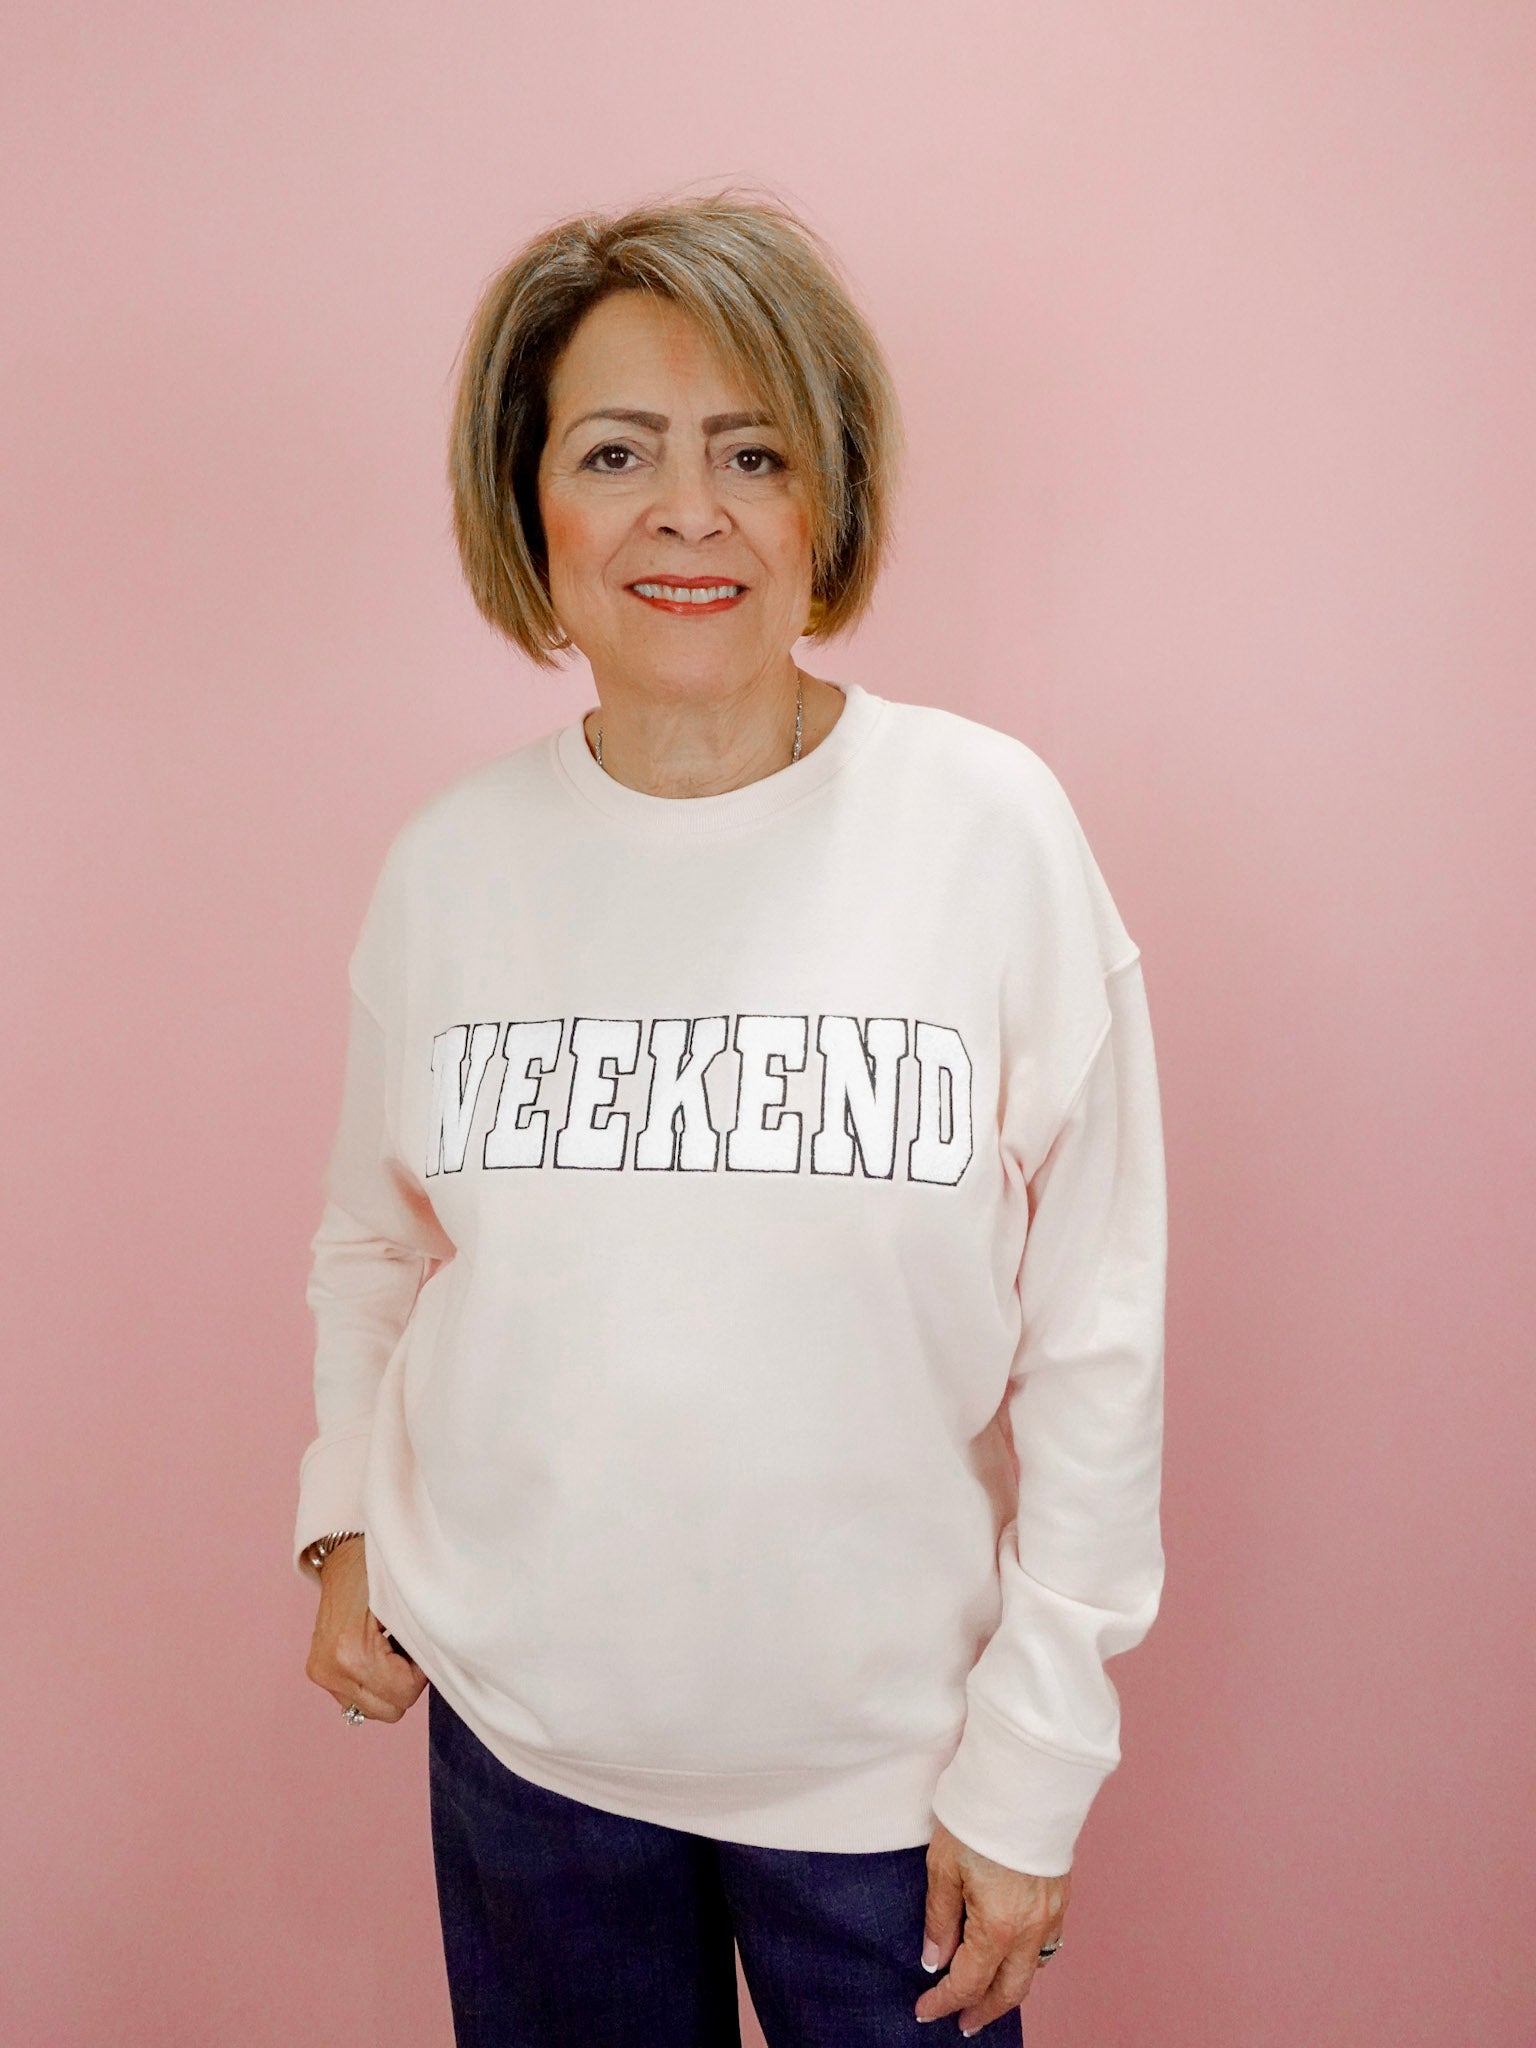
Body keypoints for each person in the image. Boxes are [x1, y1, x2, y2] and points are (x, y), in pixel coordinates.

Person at [293, 187, 1168, 2047]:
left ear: (823, 500)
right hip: (527, 1759)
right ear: (532, 505)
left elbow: (1101, 1337)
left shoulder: (987, 831)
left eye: (749, 450)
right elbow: (377, 1241)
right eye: (615, 452)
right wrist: (343, 1522)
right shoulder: (452, 867)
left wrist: (1035, 1759)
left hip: (889, 1787)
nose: (685, 510)